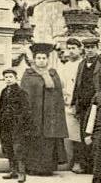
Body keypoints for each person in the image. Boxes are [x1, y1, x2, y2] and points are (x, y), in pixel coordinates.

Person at [20, 42, 68, 175]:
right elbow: (24, 94)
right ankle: (32, 168)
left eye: (44, 58)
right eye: (39, 58)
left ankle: (47, 169)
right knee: (34, 140)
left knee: (48, 142)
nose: (41, 61)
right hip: (34, 115)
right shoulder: (28, 74)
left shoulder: (53, 74)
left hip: (49, 116)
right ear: (34, 59)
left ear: (47, 59)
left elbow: (57, 94)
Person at [71, 36, 101, 173]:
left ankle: (96, 166)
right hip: (82, 105)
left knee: (94, 135)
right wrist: (74, 102)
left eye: (92, 48)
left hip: (96, 105)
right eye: (87, 48)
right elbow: (77, 84)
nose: (89, 50)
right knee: (83, 134)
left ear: (97, 48)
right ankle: (85, 165)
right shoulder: (82, 64)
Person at [0, 67, 32, 183]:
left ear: (16, 78)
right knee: (8, 147)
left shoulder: (21, 92)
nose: (8, 79)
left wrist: (22, 124)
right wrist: (0, 120)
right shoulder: (3, 91)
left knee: (18, 149)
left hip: (17, 126)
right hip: (5, 125)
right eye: (6, 77)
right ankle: (13, 171)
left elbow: (26, 110)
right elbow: (0, 107)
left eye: (11, 77)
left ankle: (22, 173)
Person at [59, 37, 84, 173]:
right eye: (69, 49)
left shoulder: (83, 65)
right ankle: (68, 160)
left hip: (78, 104)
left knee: (78, 135)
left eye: (74, 48)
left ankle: (79, 162)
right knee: (68, 134)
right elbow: (61, 84)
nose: (71, 51)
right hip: (66, 103)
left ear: (80, 49)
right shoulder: (65, 66)